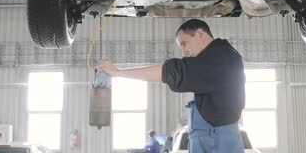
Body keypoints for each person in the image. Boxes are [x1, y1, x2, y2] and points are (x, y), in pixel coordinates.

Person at [97, 19, 246, 153]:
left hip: (218, 144)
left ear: (200, 34)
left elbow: (172, 73)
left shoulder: (219, 58)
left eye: (184, 43)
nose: (184, 51)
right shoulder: (218, 58)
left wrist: (118, 72)